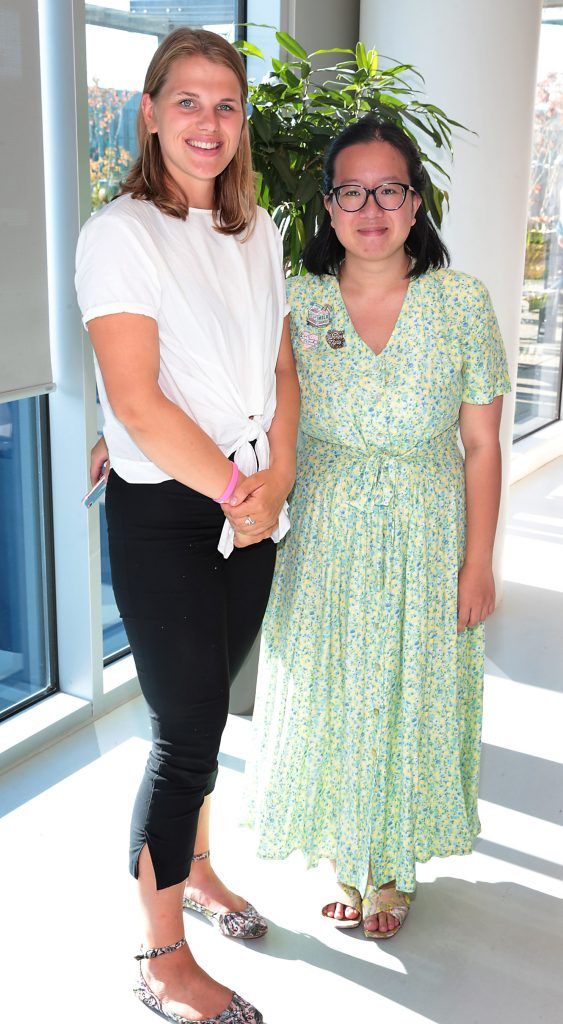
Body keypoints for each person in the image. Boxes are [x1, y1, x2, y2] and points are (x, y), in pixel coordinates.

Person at [76, 28, 299, 1024]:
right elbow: (137, 401)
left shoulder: (260, 230)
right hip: (175, 511)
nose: (209, 123)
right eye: (188, 101)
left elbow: (280, 369)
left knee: (206, 719)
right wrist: (237, 493)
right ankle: (161, 957)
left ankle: (197, 870)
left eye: (226, 104)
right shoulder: (119, 232)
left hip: (252, 506)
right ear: (148, 113)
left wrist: (277, 476)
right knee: (188, 733)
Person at [242, 116, 511, 940]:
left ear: (414, 199)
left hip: (427, 531)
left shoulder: (459, 300)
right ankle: (345, 853)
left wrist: (477, 563)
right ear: (326, 205)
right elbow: (228, 385)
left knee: (408, 693)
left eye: (387, 189)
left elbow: (478, 443)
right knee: (332, 691)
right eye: (349, 191)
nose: (369, 208)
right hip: (323, 531)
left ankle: (392, 865)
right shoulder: (295, 298)